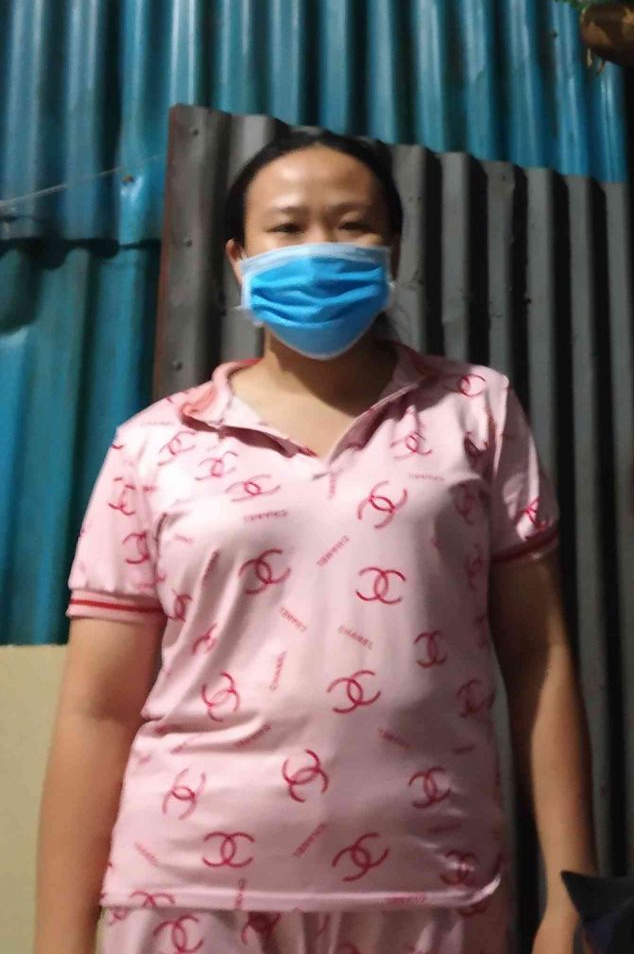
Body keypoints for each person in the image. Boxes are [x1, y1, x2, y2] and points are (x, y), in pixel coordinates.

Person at [35, 127, 596, 954]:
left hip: (431, 889)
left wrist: (572, 894)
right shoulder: (155, 445)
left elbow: (539, 656)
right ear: (238, 258)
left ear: (392, 248)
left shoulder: (473, 411)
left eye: (351, 224)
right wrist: (59, 936)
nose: (319, 248)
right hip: (189, 894)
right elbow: (97, 709)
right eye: (288, 227)